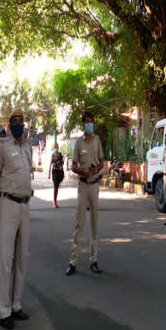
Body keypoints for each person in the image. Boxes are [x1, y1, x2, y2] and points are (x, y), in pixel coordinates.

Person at [0, 109, 33, 330]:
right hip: (8, 205)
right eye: (14, 121)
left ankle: (16, 305)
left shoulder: (28, 148)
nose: (18, 124)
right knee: (6, 259)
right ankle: (4, 310)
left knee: (22, 258)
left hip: (25, 206)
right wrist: (1, 197)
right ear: (9, 124)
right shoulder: (2, 147)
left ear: (24, 124)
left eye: (21, 121)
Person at [66, 111, 105, 276]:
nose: (90, 124)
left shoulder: (96, 140)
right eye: (87, 121)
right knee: (79, 223)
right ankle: (73, 262)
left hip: (94, 186)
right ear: (83, 124)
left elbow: (102, 161)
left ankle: (94, 261)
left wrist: (95, 170)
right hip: (83, 186)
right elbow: (73, 166)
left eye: (91, 121)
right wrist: (83, 171)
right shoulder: (78, 143)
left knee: (95, 223)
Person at [48, 144, 65, 208]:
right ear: (54, 148)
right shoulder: (52, 155)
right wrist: (49, 174)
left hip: (60, 172)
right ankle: (54, 201)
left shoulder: (60, 154)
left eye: (57, 147)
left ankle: (55, 200)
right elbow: (50, 164)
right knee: (55, 186)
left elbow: (63, 162)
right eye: (55, 147)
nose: (56, 148)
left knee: (57, 186)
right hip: (54, 172)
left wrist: (61, 166)